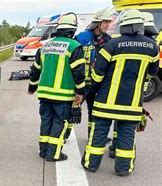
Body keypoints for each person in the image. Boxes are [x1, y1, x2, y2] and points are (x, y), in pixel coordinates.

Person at [82, 9, 159, 176]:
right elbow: (152, 72)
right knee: (126, 136)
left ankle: (91, 165)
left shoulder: (112, 44)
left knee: (99, 134)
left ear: (123, 25)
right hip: (131, 104)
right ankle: (123, 168)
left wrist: (93, 89)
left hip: (105, 102)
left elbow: (98, 72)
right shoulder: (152, 47)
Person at [28, 14, 86, 161]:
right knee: (59, 123)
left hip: (45, 94)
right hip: (63, 96)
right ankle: (53, 154)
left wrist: (32, 87)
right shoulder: (75, 47)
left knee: (46, 121)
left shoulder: (45, 46)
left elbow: (35, 69)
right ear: (72, 31)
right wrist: (80, 92)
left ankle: (43, 151)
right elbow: (78, 73)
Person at [108, 11, 160, 158]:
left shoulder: (121, 42)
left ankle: (115, 147)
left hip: (122, 89)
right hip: (137, 92)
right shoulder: (152, 44)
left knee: (120, 119)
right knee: (129, 124)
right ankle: (123, 151)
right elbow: (152, 72)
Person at [64, 8, 114, 140]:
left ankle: (93, 136)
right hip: (81, 83)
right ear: (98, 23)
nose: (108, 25)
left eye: (109, 22)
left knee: (95, 112)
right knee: (73, 109)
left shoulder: (109, 40)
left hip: (97, 84)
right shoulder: (81, 38)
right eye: (106, 22)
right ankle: (64, 134)